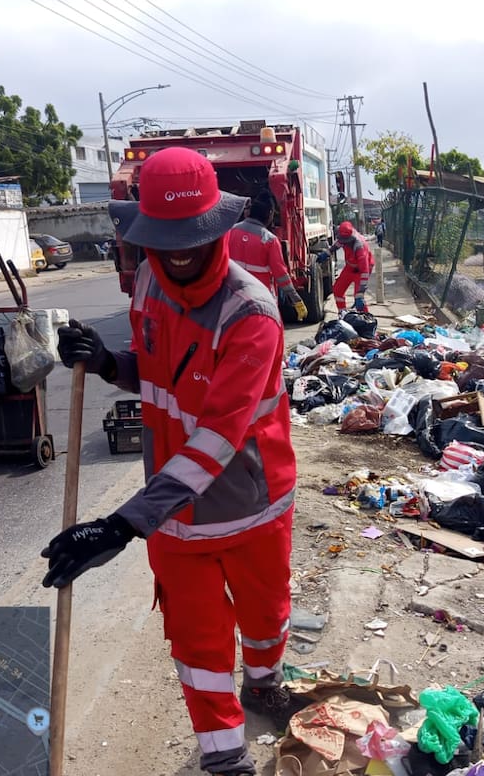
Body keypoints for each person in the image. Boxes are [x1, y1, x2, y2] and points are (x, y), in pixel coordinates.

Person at [42, 147, 297, 776]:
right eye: (164, 239)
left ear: (219, 226)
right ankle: (224, 756)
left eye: (194, 238)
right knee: (197, 640)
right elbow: (159, 372)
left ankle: (264, 684)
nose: (179, 252)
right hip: (176, 515)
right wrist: (108, 362)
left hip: (249, 502)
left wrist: (122, 524)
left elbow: (217, 435)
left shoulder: (252, 314)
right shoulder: (151, 283)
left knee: (265, 616)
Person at [228, 190, 307, 321]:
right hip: (261, 299)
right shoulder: (269, 240)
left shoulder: (230, 232)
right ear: (270, 214)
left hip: (233, 296)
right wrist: (296, 299)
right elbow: (281, 275)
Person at [324, 220, 373, 313]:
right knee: (338, 290)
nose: (344, 243)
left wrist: (361, 291)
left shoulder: (360, 247)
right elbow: (337, 245)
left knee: (358, 297)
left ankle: (365, 319)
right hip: (350, 267)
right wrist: (326, 253)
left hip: (361, 270)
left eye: (346, 241)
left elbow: (365, 271)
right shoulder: (344, 237)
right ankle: (342, 314)